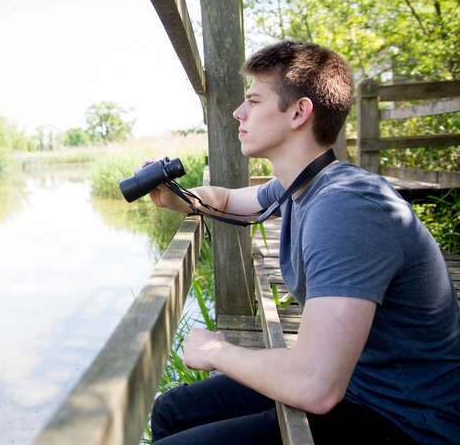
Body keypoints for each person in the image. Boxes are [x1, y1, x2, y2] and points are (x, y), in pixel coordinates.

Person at [146, 41, 460, 444]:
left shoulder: (346, 207)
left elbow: (316, 386)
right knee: (172, 412)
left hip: (406, 420)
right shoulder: (297, 186)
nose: (238, 113)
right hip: (355, 385)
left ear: (299, 112)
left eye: (254, 101)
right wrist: (176, 196)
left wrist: (215, 352)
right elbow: (225, 200)